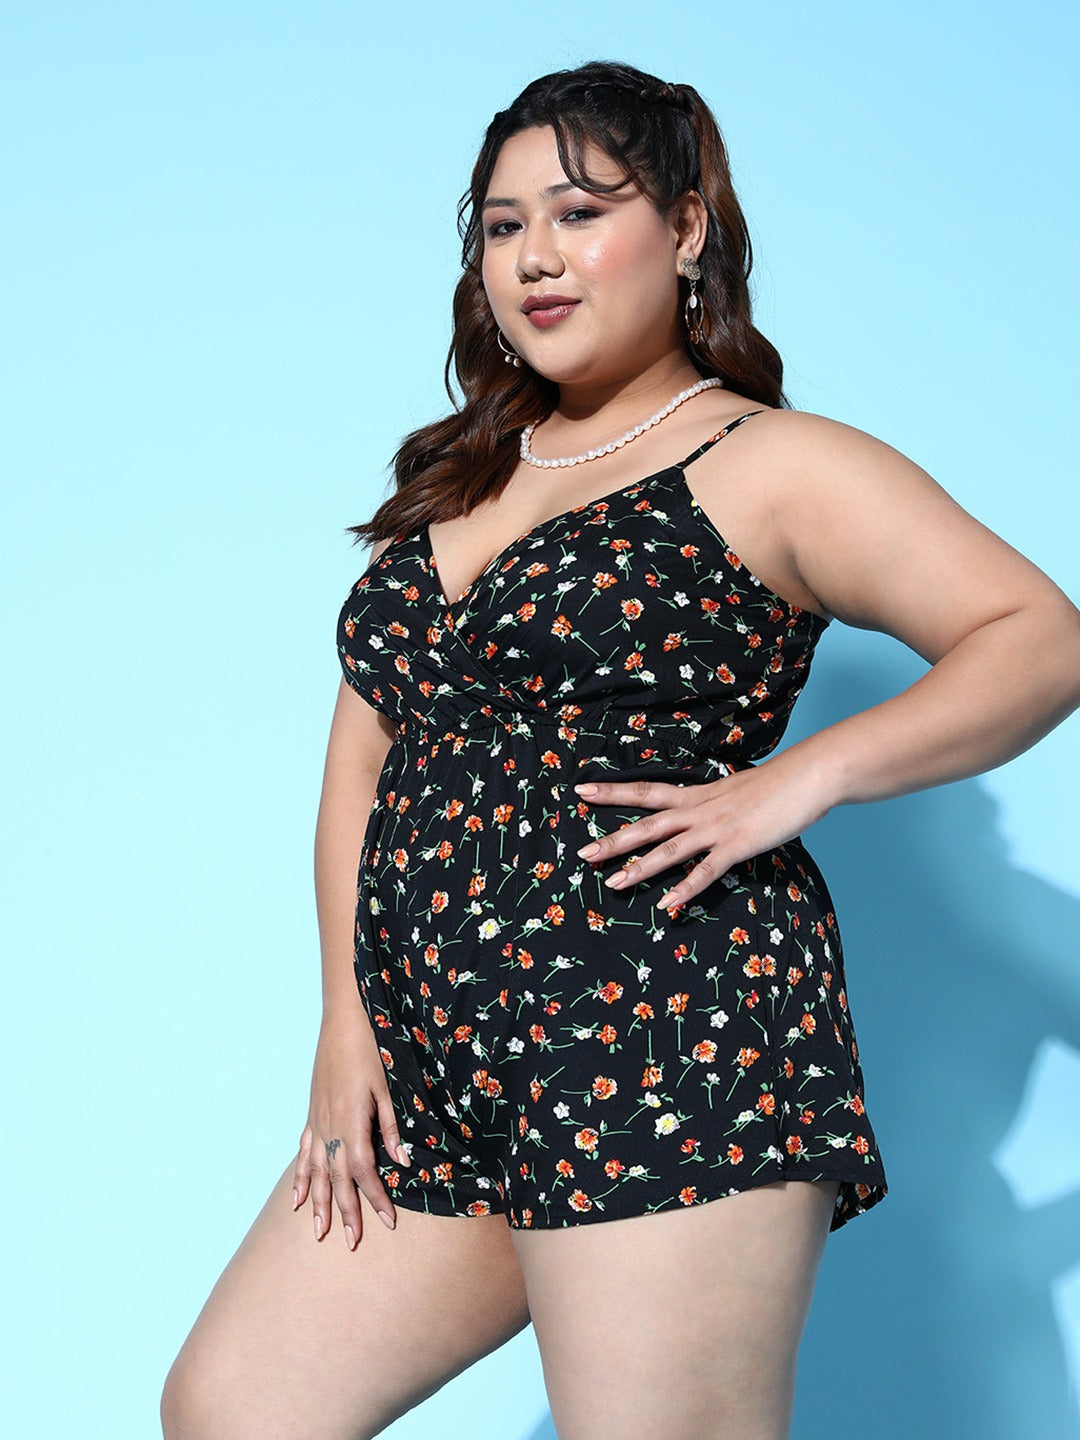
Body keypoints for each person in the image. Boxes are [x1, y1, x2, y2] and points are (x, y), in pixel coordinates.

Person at [160, 58, 1080, 1440]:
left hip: (664, 1032)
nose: (535, 255)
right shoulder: (463, 477)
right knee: (233, 1410)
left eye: (581, 213)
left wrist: (797, 782)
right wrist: (346, 1021)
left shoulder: (767, 463)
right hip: (437, 1057)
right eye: (503, 224)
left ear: (688, 228)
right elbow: (362, 762)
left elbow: (1040, 637)